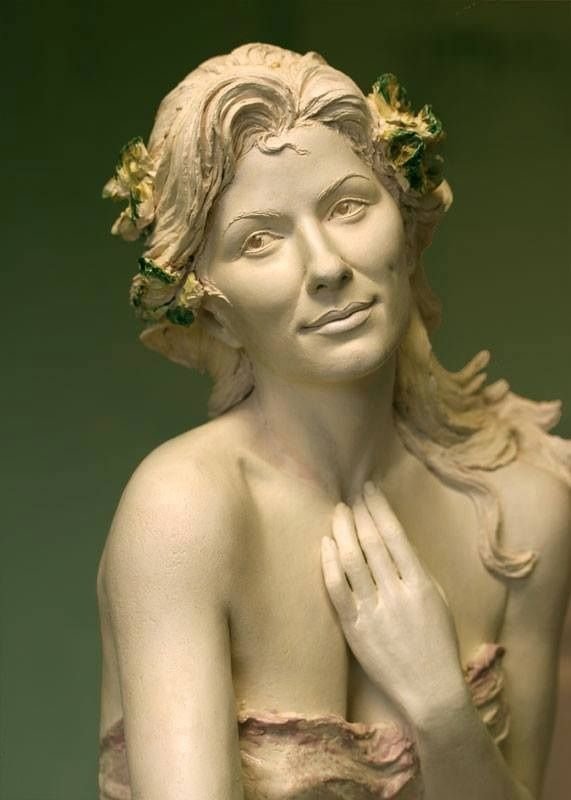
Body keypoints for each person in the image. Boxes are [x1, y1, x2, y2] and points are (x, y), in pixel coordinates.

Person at [97, 43, 571, 800]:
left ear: (405, 227)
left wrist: (442, 708)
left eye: (347, 205)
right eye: (259, 240)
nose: (324, 266)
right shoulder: (183, 514)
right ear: (213, 313)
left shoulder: (520, 515)